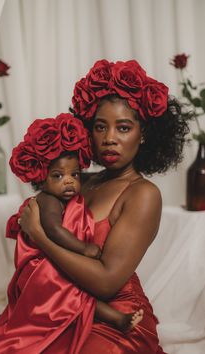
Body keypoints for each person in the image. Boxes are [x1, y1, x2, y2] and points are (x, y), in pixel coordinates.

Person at [18, 59, 189, 353]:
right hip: (62, 305)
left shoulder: (142, 194)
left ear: (143, 133)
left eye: (123, 128)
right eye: (100, 127)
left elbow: (107, 283)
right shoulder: (80, 182)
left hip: (116, 318)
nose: (109, 138)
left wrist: (42, 237)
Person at [0, 113, 142, 354]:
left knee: (78, 296)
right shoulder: (48, 201)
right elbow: (52, 230)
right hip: (44, 265)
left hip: (68, 266)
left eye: (75, 175)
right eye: (58, 176)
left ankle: (116, 319)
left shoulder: (102, 189)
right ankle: (116, 318)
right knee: (74, 293)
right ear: (42, 179)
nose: (70, 182)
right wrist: (84, 248)